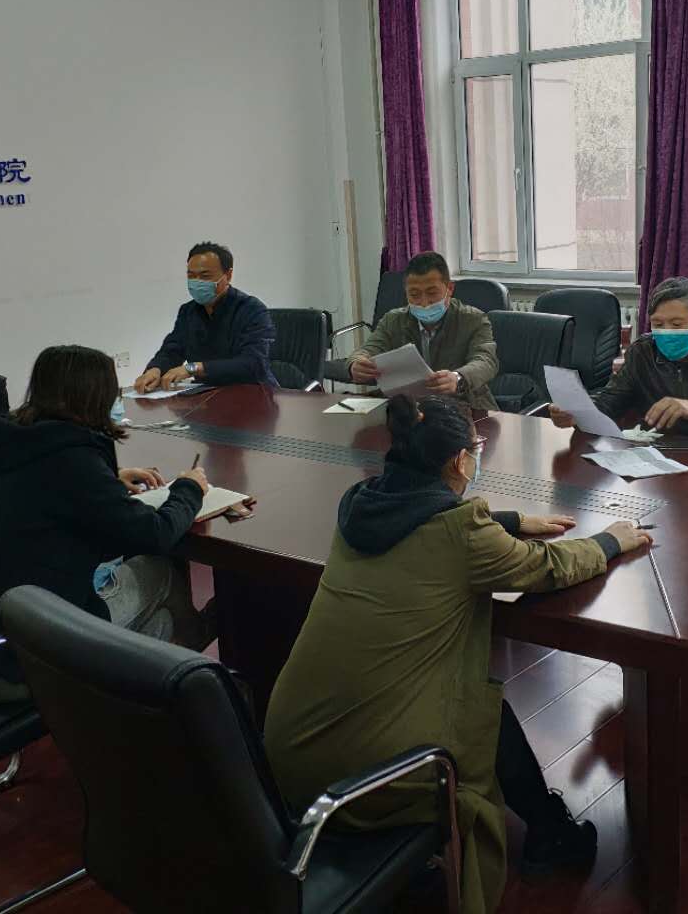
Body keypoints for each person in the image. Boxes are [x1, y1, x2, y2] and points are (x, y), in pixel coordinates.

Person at [264, 395, 651, 914]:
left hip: (287, 755)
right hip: (364, 777)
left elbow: (430, 523)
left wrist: (507, 520)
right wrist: (611, 540)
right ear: (460, 462)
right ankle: (551, 836)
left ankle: (546, 826)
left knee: (478, 703)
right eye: (476, 447)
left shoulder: (360, 505)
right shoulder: (463, 535)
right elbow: (549, 567)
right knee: (480, 711)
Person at [0, 344, 224, 703]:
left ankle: (173, 658)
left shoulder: (13, 441)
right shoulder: (74, 462)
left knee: (159, 619)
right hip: (18, 665)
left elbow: (49, 488)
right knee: (161, 572)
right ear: (95, 397)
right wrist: (189, 488)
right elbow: (155, 533)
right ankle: (192, 661)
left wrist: (108, 478)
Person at [550, 277, 688, 446]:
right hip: (662, 454)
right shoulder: (642, 351)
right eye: (658, 324)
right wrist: (577, 412)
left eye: (677, 324)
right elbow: (611, 400)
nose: (666, 332)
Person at [330, 251, 499, 410]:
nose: (424, 302)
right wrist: (355, 364)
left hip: (464, 406)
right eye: (414, 294)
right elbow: (368, 349)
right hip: (411, 408)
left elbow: (486, 361)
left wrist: (458, 378)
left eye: (432, 293)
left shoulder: (474, 319)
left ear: (449, 289)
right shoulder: (393, 320)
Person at [134, 241, 276, 392]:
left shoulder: (252, 309)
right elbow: (172, 350)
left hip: (252, 393)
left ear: (228, 275)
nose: (197, 282)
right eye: (191, 276)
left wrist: (192, 368)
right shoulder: (188, 311)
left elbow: (253, 363)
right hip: (206, 393)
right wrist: (155, 369)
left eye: (205, 276)